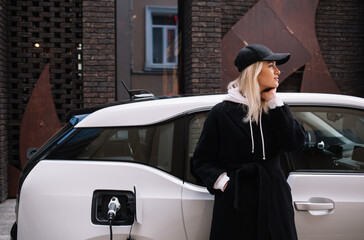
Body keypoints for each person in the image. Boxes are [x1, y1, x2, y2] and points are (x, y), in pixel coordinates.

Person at [191, 44, 306, 240]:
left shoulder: (275, 109)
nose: (278, 72)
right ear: (254, 72)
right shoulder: (222, 113)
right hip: (236, 201)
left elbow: (294, 142)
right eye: (271, 66)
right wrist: (224, 183)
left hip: (274, 200)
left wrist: (273, 101)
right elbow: (201, 160)